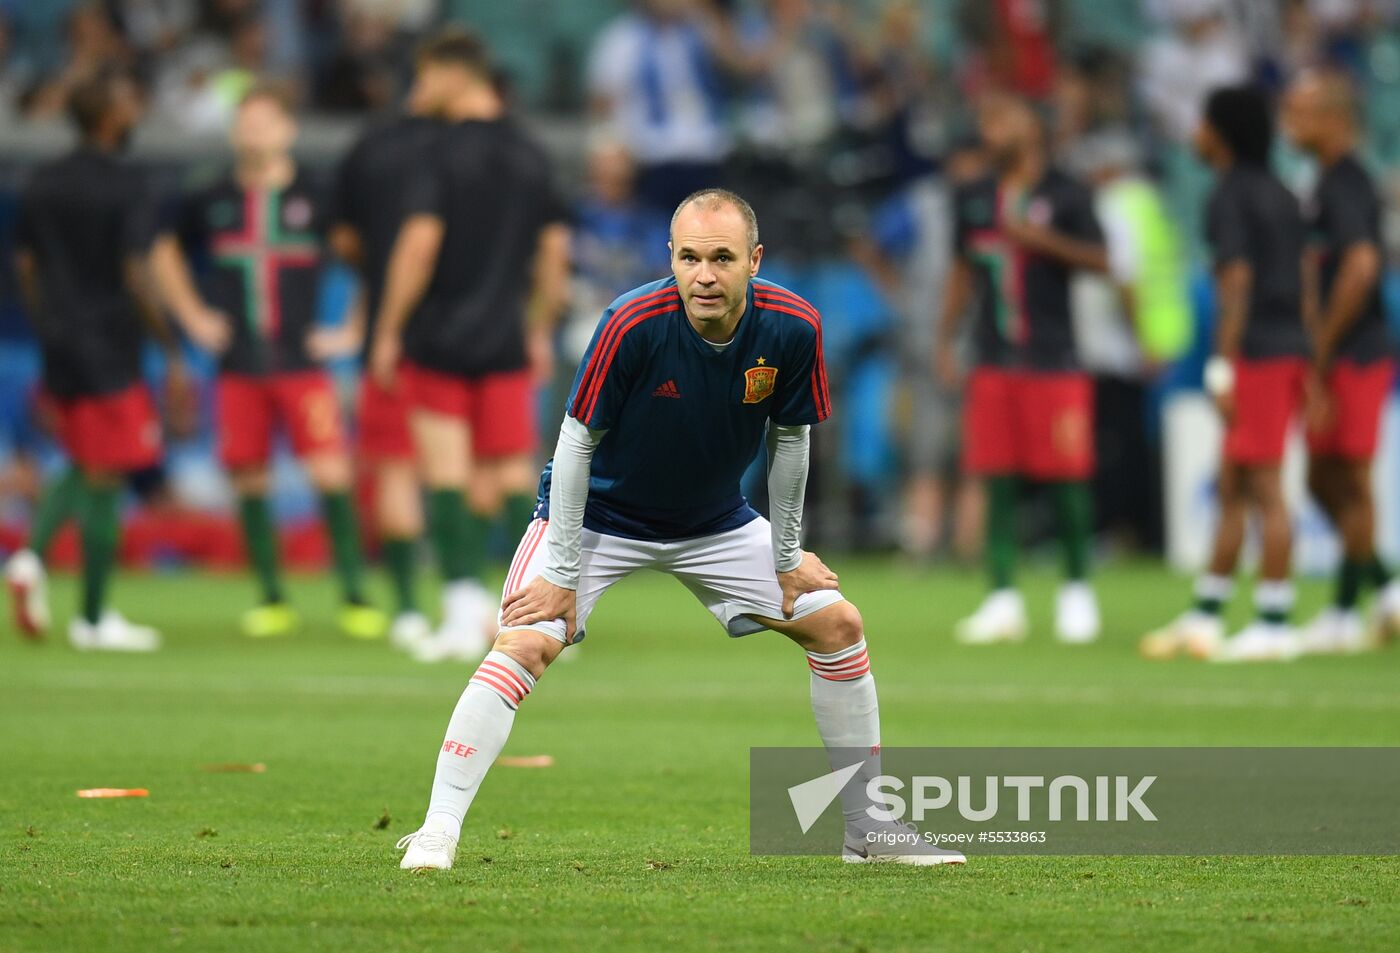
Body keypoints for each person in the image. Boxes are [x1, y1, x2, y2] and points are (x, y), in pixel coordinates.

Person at [393, 189, 963, 871]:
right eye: (690, 257)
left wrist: (786, 555)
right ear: (671, 257)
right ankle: (437, 830)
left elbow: (791, 441)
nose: (705, 275)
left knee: (838, 624)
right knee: (524, 640)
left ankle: (868, 826)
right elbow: (574, 444)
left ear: (754, 260)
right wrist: (564, 571)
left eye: (722, 258)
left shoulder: (793, 327)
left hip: (713, 521)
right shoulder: (630, 321)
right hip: (599, 518)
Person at [152, 83, 385, 640]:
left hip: (302, 365)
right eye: (243, 123)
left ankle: (354, 593)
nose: (251, 133)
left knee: (331, 472)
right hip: (238, 367)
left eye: (262, 123)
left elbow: (370, 257)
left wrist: (352, 328)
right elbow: (161, 251)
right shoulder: (209, 198)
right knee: (248, 478)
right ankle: (271, 597)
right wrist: (192, 317)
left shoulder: (319, 196)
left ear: (288, 130)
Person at [369, 31, 570, 663]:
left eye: (424, 78)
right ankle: (535, 618)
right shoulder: (532, 153)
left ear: (454, 75)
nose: (418, 94)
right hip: (507, 339)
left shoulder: (436, 153)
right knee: (513, 476)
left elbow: (418, 246)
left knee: (447, 475)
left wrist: (387, 329)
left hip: (439, 338)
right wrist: (538, 327)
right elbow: (555, 254)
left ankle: (462, 610)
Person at [4, 67, 187, 650]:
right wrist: (169, 346)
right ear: (108, 116)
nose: (135, 108)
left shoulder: (43, 181)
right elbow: (137, 272)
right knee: (109, 474)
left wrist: (51, 326)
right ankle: (89, 614)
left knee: (87, 462)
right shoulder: (128, 183)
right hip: (109, 343)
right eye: (128, 99)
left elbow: (26, 267)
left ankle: (36, 566)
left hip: (59, 343)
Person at [1141, 84, 1308, 663]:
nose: (1195, 134)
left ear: (1222, 132)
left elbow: (1234, 284)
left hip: (1258, 352)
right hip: (1287, 346)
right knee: (1234, 483)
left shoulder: (1227, 196)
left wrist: (1220, 364)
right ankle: (1207, 615)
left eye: (1203, 122)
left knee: (1263, 485)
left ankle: (1276, 619)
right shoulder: (1285, 194)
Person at [933, 90, 1107, 645]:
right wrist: (945, 338)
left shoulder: (1068, 192)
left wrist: (1043, 241)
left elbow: (1103, 260)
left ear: (1033, 125)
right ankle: (1002, 597)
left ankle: (1077, 590)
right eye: (986, 116)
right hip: (993, 358)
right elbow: (962, 271)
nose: (990, 126)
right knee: (996, 479)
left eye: (1002, 113)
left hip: (1054, 359)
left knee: (1066, 480)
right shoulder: (974, 196)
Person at [327, 72, 445, 652]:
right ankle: (492, 605)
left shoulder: (370, 150)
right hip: (479, 337)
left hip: (395, 338)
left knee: (396, 469)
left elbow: (344, 239)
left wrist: (376, 290)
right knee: (486, 475)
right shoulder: (482, 148)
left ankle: (407, 609)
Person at [1283, 68, 1400, 653]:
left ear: (1335, 119)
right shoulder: (1325, 180)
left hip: (1354, 353)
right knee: (1320, 478)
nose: (1290, 123)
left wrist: (1321, 352)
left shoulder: (1345, 183)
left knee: (1350, 479)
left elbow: (1359, 267)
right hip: (1340, 354)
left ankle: (1344, 613)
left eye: (1301, 112)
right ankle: (1385, 590)